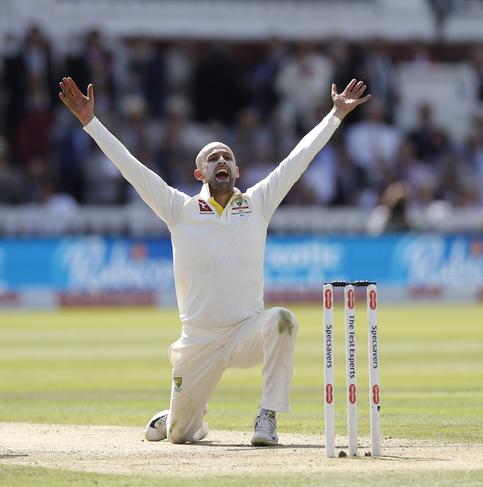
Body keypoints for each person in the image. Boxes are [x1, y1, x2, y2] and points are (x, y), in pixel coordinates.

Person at [58, 76, 370, 446]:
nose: (221, 160)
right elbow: (130, 167)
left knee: (283, 320)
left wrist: (334, 115)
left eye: (228, 157)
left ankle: (267, 417)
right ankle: (183, 416)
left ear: (237, 171)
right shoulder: (178, 208)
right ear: (199, 173)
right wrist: (90, 122)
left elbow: (298, 159)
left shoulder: (258, 203)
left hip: (246, 332)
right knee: (179, 437)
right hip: (198, 343)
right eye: (213, 158)